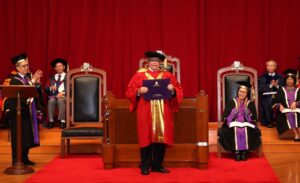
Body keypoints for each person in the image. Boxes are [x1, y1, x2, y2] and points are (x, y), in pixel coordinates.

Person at [126, 51, 183, 175]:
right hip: (145, 109)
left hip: (164, 110)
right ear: (148, 62)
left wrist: (172, 90)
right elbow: (129, 91)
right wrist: (139, 91)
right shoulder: (139, 75)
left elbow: (178, 89)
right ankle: (145, 165)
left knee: (160, 138)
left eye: (157, 61)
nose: (154, 63)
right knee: (145, 136)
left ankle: (157, 164)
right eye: (152, 61)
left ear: (160, 63)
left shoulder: (167, 75)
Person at [6, 53, 43, 165]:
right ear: (17, 68)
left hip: (28, 111)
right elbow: (24, 92)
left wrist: (36, 84)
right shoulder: (14, 80)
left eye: (27, 65)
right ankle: (16, 160)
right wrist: (33, 81)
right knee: (18, 136)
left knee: (27, 135)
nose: (26, 68)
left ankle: (25, 158)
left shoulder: (27, 78)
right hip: (18, 112)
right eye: (24, 66)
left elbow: (34, 93)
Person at [218, 81, 261, 161]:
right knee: (230, 130)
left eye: (244, 92)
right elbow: (226, 117)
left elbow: (253, 119)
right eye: (240, 91)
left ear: (247, 93)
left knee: (248, 130)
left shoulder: (250, 103)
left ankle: (244, 152)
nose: (241, 93)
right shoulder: (232, 102)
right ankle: (236, 151)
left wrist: (246, 110)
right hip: (232, 123)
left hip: (246, 124)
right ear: (237, 92)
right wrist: (236, 109)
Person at [273, 69, 300, 141]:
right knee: (290, 114)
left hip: (297, 109)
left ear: (294, 80)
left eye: (291, 79)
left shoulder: (298, 90)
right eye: (288, 79)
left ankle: (298, 134)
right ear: (285, 80)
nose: (289, 81)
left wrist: (296, 103)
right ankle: (296, 134)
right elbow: (276, 101)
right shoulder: (281, 90)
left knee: (295, 114)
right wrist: (279, 105)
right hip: (285, 110)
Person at [258, 60, 284, 128]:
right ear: (266, 67)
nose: (270, 67)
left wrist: (277, 86)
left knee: (279, 101)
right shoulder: (263, 77)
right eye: (268, 66)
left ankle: (278, 122)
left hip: (278, 95)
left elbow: (284, 88)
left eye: (272, 65)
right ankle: (269, 122)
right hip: (266, 96)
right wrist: (270, 85)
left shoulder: (280, 77)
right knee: (267, 102)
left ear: (275, 67)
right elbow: (260, 89)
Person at [45, 58, 68, 129]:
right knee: (51, 101)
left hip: (64, 95)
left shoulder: (68, 76)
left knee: (60, 100)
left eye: (60, 66)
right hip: (54, 95)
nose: (58, 68)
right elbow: (46, 88)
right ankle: (51, 121)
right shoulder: (52, 78)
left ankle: (62, 121)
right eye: (56, 66)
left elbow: (72, 88)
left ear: (64, 67)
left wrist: (63, 92)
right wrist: (51, 88)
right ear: (55, 68)